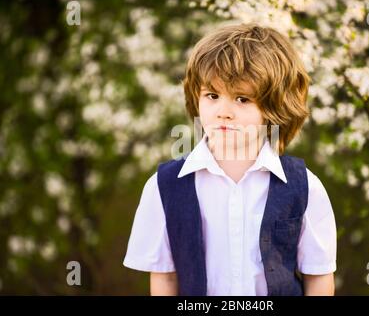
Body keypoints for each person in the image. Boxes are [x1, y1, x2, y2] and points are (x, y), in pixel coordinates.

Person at [123, 23, 337, 296]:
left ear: (274, 107)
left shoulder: (305, 186)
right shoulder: (164, 187)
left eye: (242, 99)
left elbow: (318, 279)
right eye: (212, 95)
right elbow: (165, 280)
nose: (224, 112)